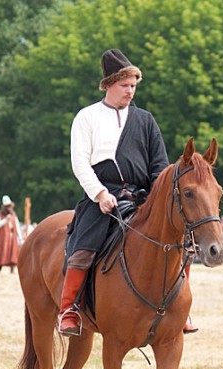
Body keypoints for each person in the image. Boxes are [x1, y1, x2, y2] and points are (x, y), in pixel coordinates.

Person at [60, 48, 170, 337]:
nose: (130, 91)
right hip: (102, 197)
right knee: (83, 250)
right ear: (109, 84)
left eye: (133, 85)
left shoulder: (145, 120)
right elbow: (80, 163)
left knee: (177, 241)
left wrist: (156, 200)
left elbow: (160, 165)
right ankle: (69, 309)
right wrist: (99, 194)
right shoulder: (87, 117)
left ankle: (178, 309)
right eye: (124, 85)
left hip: (143, 197)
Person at [0, 195, 21, 273]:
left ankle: (12, 269)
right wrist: (5, 220)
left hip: (12, 236)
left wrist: (19, 236)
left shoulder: (13, 215)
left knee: (13, 252)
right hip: (4, 237)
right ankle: (0, 267)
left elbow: (17, 225)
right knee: (2, 251)